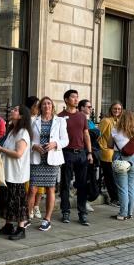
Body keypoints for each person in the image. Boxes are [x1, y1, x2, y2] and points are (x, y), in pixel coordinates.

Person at [28, 97, 68, 232]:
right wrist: (34, 146)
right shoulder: (33, 121)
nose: (47, 106)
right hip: (37, 158)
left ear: (52, 106)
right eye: (44, 104)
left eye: (49, 103)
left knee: (50, 189)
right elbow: (27, 139)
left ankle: (47, 219)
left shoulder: (60, 121)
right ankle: (28, 217)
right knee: (32, 188)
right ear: (40, 107)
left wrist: (55, 144)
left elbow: (65, 140)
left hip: (52, 159)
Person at [0, 105, 32, 240]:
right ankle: (8, 225)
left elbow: (18, 154)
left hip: (17, 173)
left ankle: (21, 228)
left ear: (21, 116)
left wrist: (0, 149)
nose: (12, 111)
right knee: (7, 200)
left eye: (16, 110)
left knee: (18, 201)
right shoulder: (12, 130)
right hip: (8, 171)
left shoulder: (23, 132)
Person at [58, 90, 93, 225]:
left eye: (77, 97)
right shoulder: (60, 117)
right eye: (73, 97)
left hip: (81, 154)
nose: (76, 99)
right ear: (66, 99)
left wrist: (89, 153)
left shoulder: (82, 116)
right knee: (65, 184)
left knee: (82, 185)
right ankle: (65, 212)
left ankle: (82, 213)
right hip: (66, 153)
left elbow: (86, 135)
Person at [109, 110, 134, 220]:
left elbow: (109, 145)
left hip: (120, 160)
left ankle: (123, 214)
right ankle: (130, 213)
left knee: (122, 188)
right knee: (131, 187)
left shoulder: (115, 131)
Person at [98, 102, 123, 208]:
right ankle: (114, 198)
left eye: (119, 109)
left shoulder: (119, 121)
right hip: (107, 153)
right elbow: (98, 135)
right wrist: (102, 147)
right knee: (110, 177)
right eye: (114, 108)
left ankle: (117, 197)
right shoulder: (106, 121)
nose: (117, 110)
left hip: (117, 153)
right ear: (111, 109)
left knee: (116, 177)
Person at [79, 99, 100, 213]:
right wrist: (93, 132)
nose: (90, 109)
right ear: (81, 108)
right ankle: (83, 201)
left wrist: (93, 133)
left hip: (92, 153)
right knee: (84, 178)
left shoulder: (90, 121)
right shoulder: (79, 119)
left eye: (91, 107)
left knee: (91, 178)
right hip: (83, 152)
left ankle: (87, 198)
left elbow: (98, 133)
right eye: (88, 107)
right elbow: (83, 135)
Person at [25, 95, 44, 219]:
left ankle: (36, 206)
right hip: (28, 154)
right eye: (35, 106)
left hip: (40, 153)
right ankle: (29, 208)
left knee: (40, 184)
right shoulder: (26, 119)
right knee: (30, 186)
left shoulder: (41, 119)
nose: (38, 108)